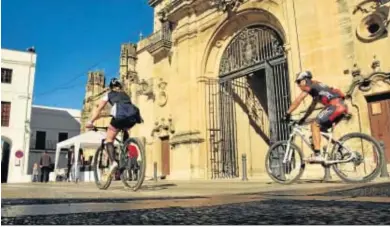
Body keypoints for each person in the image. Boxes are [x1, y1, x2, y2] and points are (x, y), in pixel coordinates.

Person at [283, 71, 348, 162]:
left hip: (335, 106)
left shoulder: (310, 87)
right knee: (321, 129)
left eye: (298, 82)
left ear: (304, 81)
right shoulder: (316, 87)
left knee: (315, 124)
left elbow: (298, 100)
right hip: (342, 106)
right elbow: (312, 107)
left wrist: (287, 113)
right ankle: (342, 148)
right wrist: (303, 118)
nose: (298, 85)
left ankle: (317, 154)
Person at [85, 78, 142, 176]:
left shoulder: (108, 94)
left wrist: (91, 121)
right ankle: (126, 148)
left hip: (119, 116)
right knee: (124, 127)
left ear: (111, 87)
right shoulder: (125, 94)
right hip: (132, 117)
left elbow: (99, 109)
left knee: (109, 139)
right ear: (120, 86)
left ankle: (113, 163)